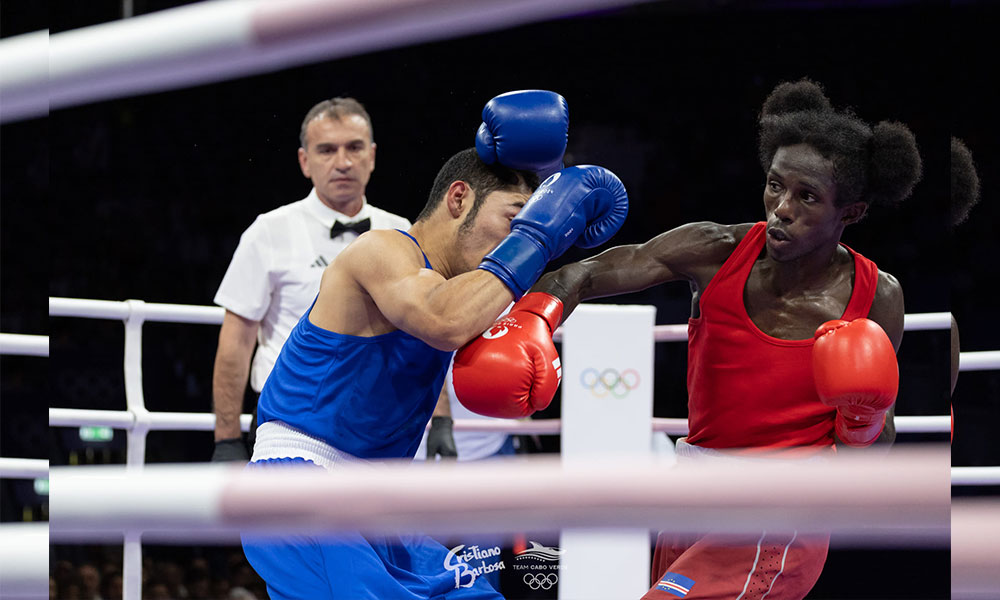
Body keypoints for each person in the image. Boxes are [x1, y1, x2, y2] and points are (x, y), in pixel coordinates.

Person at [458, 79, 922, 599]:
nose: (782, 208)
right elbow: (586, 274)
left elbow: (872, 448)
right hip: (694, 490)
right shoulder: (716, 250)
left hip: (782, 506)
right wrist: (533, 320)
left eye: (807, 196)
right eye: (775, 185)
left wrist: (864, 423)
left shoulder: (876, 295)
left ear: (851, 213)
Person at [240, 89, 629, 599]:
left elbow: (565, 282)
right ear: (459, 197)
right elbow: (440, 320)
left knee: (487, 590)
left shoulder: (470, 286)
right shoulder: (383, 249)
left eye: (527, 226)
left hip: (378, 505)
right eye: (512, 220)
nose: (518, 240)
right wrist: (538, 235)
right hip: (300, 482)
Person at [211, 97, 411, 462]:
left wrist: (442, 418)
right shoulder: (269, 231)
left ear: (372, 155)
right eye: (326, 150)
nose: (343, 162)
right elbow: (236, 341)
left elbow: (422, 334)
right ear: (305, 161)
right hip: (287, 420)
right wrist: (226, 439)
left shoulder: (402, 232)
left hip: (381, 422)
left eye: (354, 147)